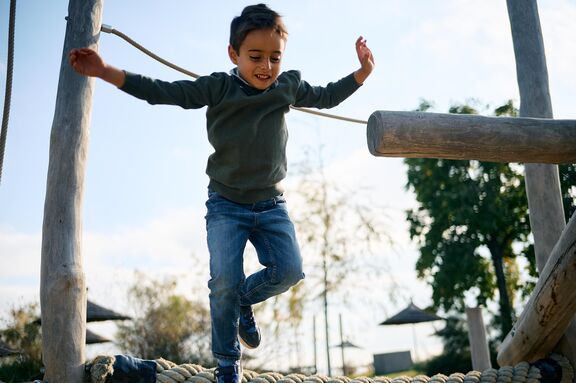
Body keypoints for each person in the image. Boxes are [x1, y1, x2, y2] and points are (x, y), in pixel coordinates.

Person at [70, 3, 374, 383]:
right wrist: (105, 72)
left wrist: (361, 73)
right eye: (256, 57)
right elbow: (165, 92)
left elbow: (327, 96)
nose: (266, 66)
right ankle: (228, 364)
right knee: (223, 284)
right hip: (226, 206)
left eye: (274, 58)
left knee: (290, 270)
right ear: (234, 54)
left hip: (272, 205)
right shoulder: (219, 86)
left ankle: (244, 300)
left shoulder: (287, 86)